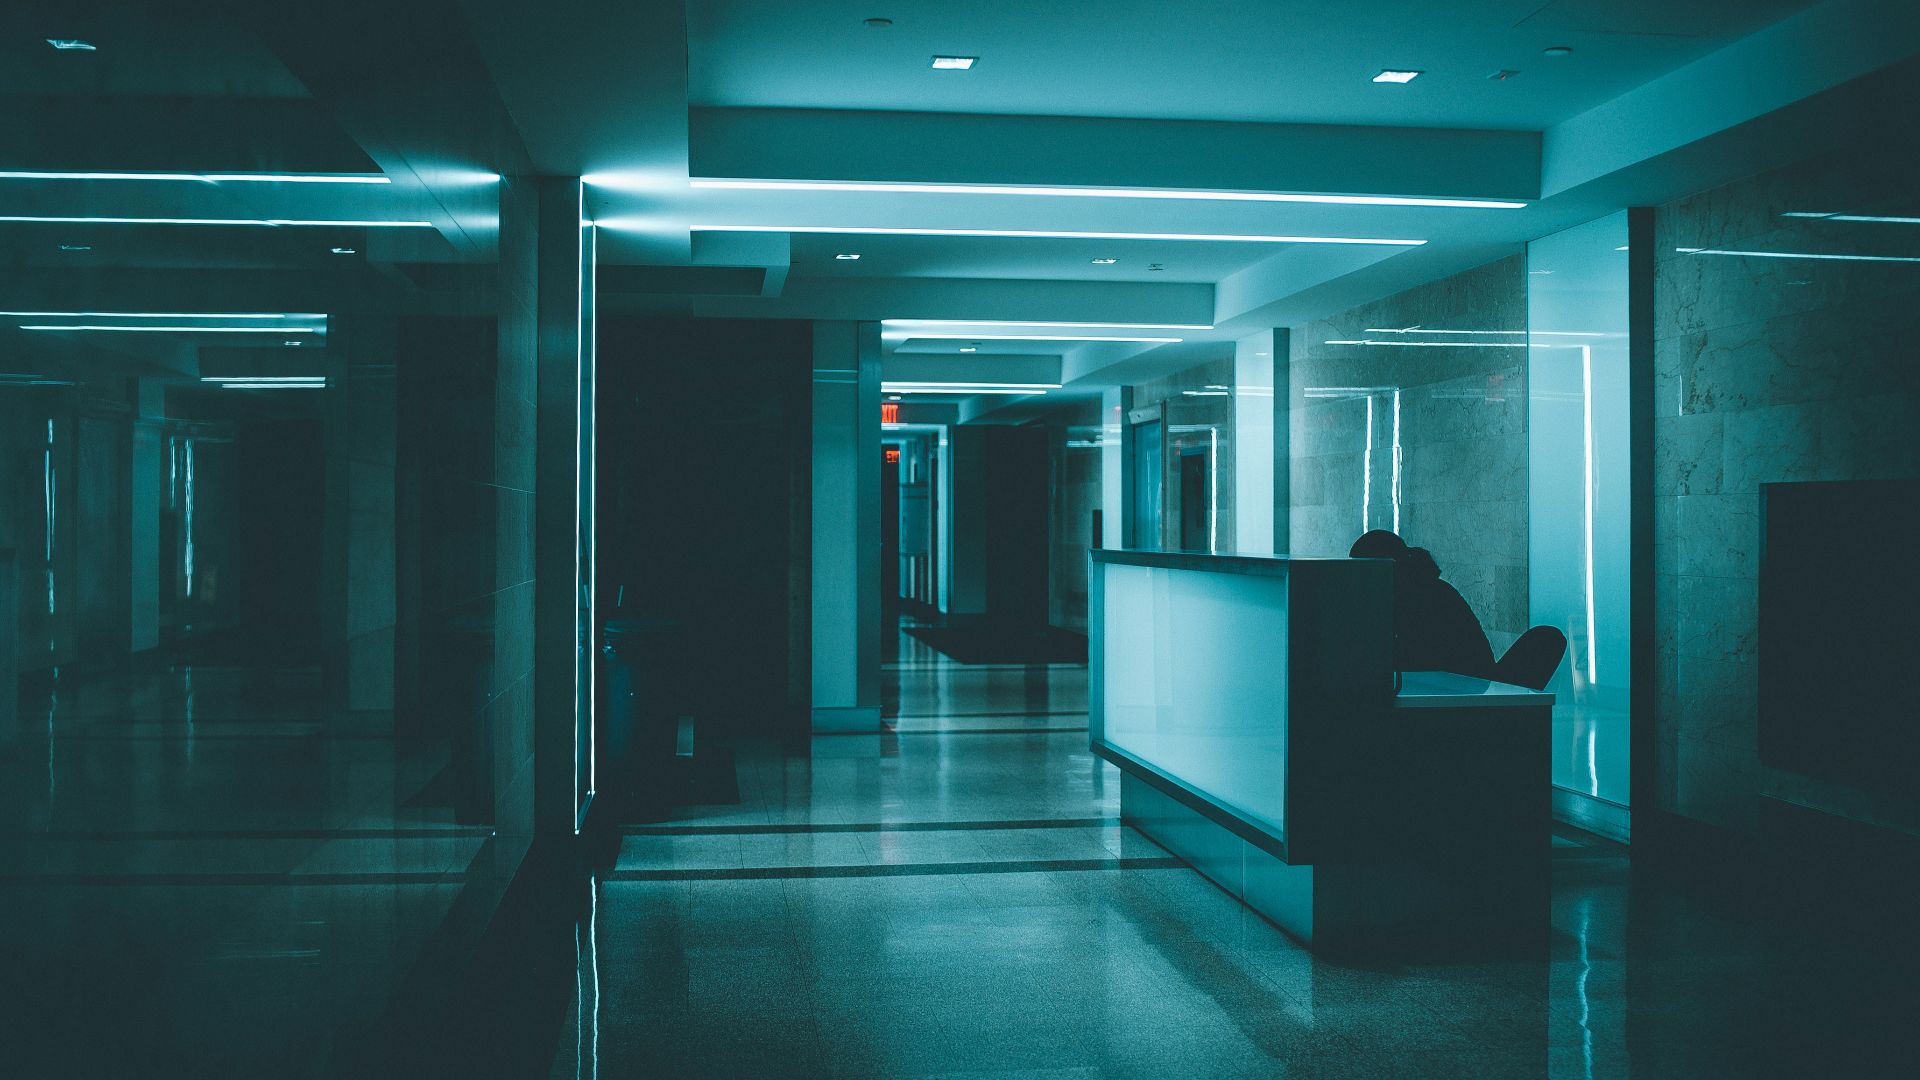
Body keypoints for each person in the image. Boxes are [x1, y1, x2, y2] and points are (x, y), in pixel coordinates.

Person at [1348, 530, 1496, 679]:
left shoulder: (1420, 600)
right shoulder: (1429, 590)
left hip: (1454, 690)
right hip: (1462, 686)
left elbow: (1408, 658)